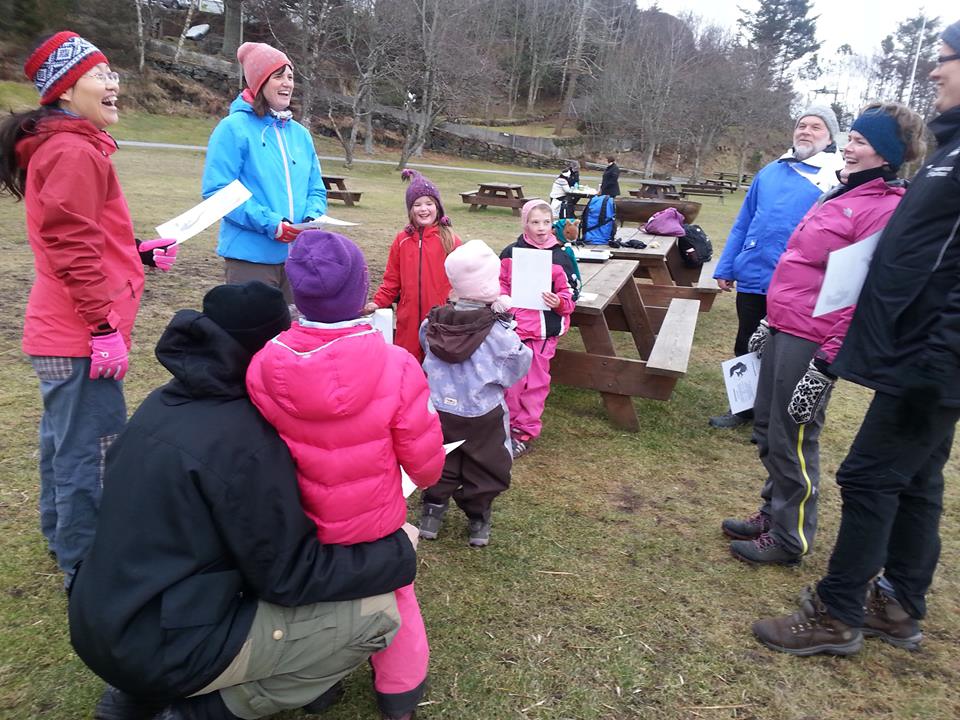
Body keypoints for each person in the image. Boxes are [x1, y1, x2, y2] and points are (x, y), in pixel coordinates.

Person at [69, 281, 419, 720]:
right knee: (378, 615)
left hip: (101, 618)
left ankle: (134, 694)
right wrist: (397, 553)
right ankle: (190, 712)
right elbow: (289, 577)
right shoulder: (246, 438)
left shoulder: (162, 401)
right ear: (270, 347)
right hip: (162, 643)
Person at [751, 20, 960, 656]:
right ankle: (897, 605)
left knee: (868, 478)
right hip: (911, 352)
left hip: (929, 358)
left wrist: (931, 355)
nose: (934, 71)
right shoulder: (947, 154)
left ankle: (837, 613)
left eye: (946, 58)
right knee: (919, 483)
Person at [0, 31, 177, 586]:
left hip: (61, 330)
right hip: (76, 334)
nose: (115, 86)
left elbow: (86, 237)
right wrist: (103, 328)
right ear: (67, 90)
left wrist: (137, 253)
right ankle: (88, 565)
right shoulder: (74, 150)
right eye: (103, 76)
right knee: (93, 452)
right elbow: (69, 244)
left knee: (64, 444)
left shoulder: (68, 146)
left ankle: (63, 538)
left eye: (114, 75)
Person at [247, 232, 445, 720]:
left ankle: (315, 684)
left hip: (304, 520)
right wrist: (427, 475)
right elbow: (424, 459)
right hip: (375, 520)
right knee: (395, 594)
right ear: (360, 291)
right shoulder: (396, 363)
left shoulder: (264, 362)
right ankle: (399, 693)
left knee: (314, 602)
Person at [721, 102, 926, 567]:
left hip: (813, 336)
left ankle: (791, 536)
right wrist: (768, 322)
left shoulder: (884, 208)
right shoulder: (841, 192)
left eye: (859, 142)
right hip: (784, 323)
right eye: (849, 139)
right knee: (769, 429)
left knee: (794, 434)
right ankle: (773, 511)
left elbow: (865, 291)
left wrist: (827, 359)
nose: (848, 148)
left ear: (886, 153)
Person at [709, 105, 843, 429]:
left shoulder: (836, 176)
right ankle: (743, 409)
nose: (806, 131)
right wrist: (726, 266)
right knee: (746, 343)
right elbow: (743, 222)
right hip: (755, 275)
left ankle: (773, 422)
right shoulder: (769, 172)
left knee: (786, 355)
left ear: (829, 137)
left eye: (816, 127)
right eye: (802, 125)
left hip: (799, 284)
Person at [418, 240, 533, 547]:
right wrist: (509, 326)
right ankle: (478, 516)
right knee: (486, 463)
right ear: (490, 285)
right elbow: (518, 365)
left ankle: (432, 510)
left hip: (440, 408)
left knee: (440, 457)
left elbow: (424, 346)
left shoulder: (433, 322)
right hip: (483, 412)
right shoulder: (497, 332)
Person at [201, 42, 327, 304]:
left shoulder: (301, 135)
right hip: (250, 260)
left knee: (291, 337)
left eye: (290, 77)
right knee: (253, 341)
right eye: (278, 76)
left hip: (297, 260)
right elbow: (218, 192)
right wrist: (272, 224)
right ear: (259, 82)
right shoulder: (233, 128)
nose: (288, 84)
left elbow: (315, 187)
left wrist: (312, 217)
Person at [499, 199, 577, 458]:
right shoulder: (510, 253)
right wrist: (503, 302)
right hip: (514, 330)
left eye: (546, 222)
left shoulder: (561, 256)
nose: (541, 228)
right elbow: (500, 284)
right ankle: (504, 428)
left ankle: (524, 433)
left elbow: (570, 295)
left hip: (544, 333)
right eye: (535, 222)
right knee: (511, 382)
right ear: (525, 223)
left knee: (535, 384)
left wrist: (559, 303)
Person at [365, 169, 462, 362]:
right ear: (410, 209)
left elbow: (463, 279)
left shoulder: (450, 240)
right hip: (407, 322)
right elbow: (392, 279)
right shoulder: (401, 240)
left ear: (438, 207)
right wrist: (379, 301)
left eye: (429, 203)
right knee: (406, 365)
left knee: (437, 367)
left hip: (440, 321)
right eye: (417, 204)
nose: (423, 209)